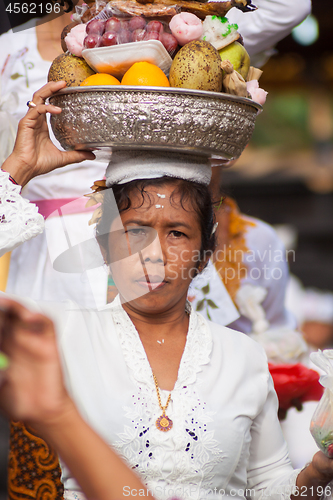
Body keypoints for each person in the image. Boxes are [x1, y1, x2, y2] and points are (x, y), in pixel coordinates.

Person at [1, 80, 333, 500]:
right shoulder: (57, 332)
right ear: (104, 243)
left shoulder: (242, 355)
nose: (153, 255)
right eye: (135, 230)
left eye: (176, 233)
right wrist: (19, 169)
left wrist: (315, 474)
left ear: (204, 253)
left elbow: (268, 485)